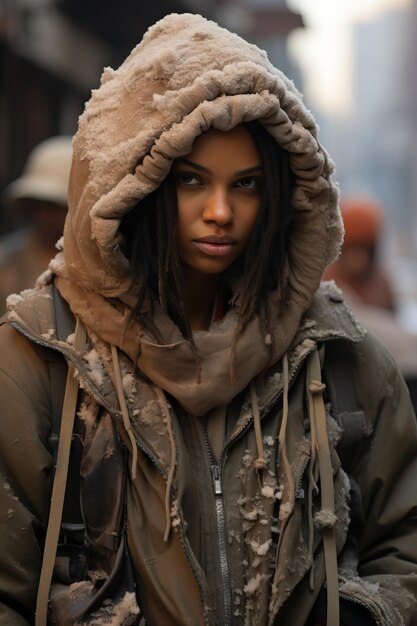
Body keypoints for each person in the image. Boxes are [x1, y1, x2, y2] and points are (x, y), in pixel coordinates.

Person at [0, 13, 416, 626]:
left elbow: (403, 542)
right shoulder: (42, 357)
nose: (220, 212)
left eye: (245, 185)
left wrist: (360, 613)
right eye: (191, 180)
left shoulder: (333, 353)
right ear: (136, 185)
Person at [0, 135, 72, 314]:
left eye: (54, 206)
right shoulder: (6, 263)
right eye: (39, 204)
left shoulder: (99, 270)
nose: (44, 215)